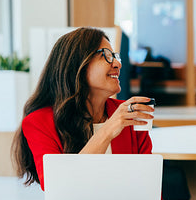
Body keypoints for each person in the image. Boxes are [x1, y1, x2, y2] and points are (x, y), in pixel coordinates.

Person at [12, 27, 154, 190]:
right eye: (106, 56)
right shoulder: (38, 122)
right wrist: (108, 130)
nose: (118, 63)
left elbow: (149, 184)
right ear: (77, 65)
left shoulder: (129, 115)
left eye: (115, 56)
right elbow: (56, 186)